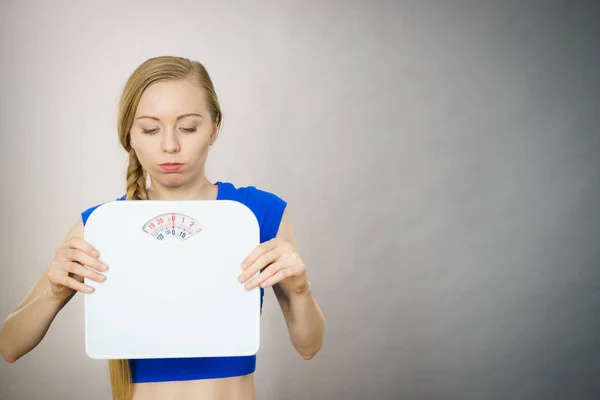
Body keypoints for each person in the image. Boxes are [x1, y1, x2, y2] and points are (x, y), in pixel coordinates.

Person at [0, 56, 325, 400]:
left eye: (187, 127)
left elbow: (309, 346)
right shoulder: (102, 225)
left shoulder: (258, 213)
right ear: (129, 135)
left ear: (214, 128)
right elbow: (9, 346)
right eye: (151, 129)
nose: (170, 145)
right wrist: (55, 291)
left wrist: (301, 290)